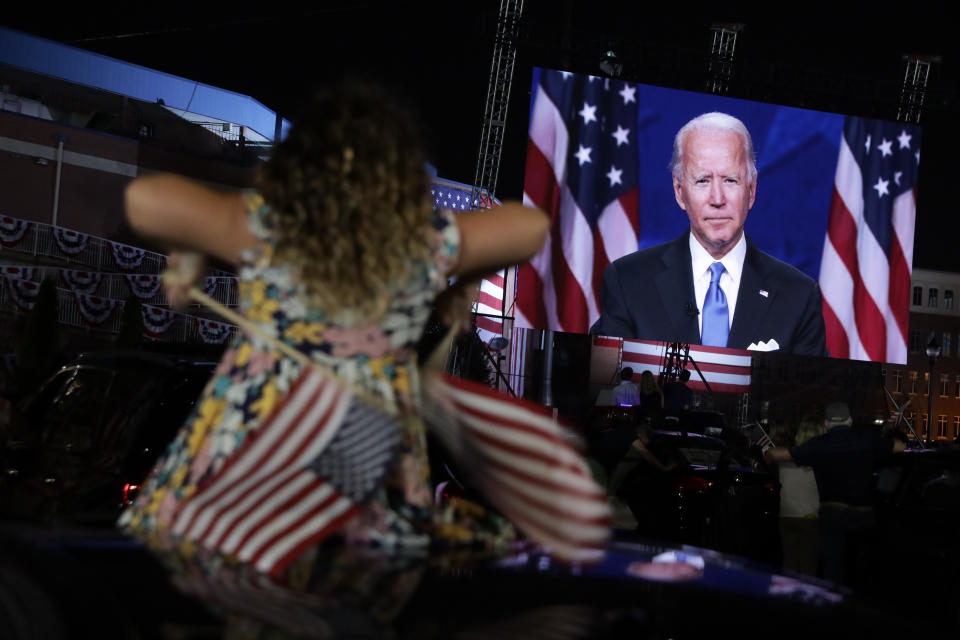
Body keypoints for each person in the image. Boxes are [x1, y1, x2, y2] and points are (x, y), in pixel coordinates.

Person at [117, 81, 549, 564]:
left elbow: (145, 199)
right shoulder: (421, 246)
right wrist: (466, 273)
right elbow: (528, 227)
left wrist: (194, 243)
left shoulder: (266, 230)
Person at [590, 112, 829, 357]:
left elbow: (811, 394)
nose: (717, 199)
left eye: (730, 180)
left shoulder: (798, 296)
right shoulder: (629, 282)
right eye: (703, 181)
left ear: (752, 189)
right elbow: (606, 382)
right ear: (680, 192)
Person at [765, 402, 905, 585]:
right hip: (864, 513)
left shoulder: (819, 444)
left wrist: (767, 455)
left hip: (833, 513)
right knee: (862, 567)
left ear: (827, 423)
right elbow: (899, 446)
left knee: (833, 567)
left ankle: (833, 602)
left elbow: (779, 455)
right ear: (850, 421)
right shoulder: (867, 440)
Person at [776, 417, 825, 576]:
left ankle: (784, 596)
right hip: (810, 516)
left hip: (787, 514)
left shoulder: (786, 458)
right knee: (808, 566)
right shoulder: (822, 461)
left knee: (789, 563)